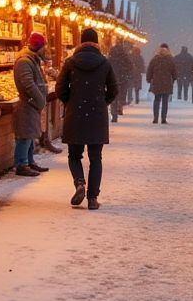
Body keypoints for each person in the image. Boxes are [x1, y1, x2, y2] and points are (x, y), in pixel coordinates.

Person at [56, 27, 118, 210]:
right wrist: (101, 102)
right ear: (96, 43)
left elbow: (60, 89)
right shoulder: (105, 64)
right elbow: (114, 90)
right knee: (95, 158)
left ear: (81, 42)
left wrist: (71, 101)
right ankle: (92, 198)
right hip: (97, 117)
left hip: (75, 115)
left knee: (74, 155)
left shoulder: (70, 63)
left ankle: (79, 183)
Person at [11, 32, 50, 177]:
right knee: (24, 135)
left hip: (31, 103)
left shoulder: (32, 60)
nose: (45, 49)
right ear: (38, 46)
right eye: (44, 46)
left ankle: (29, 161)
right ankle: (21, 164)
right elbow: (28, 84)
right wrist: (40, 100)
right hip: (27, 103)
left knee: (30, 133)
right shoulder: (24, 61)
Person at [146, 43, 177, 124]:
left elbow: (149, 70)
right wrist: (174, 78)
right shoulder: (170, 59)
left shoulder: (155, 59)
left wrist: (149, 79)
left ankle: (155, 118)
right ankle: (163, 118)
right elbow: (174, 71)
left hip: (157, 82)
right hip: (166, 83)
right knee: (165, 101)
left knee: (156, 100)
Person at [108, 39, 132, 123]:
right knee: (121, 94)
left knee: (114, 95)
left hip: (113, 77)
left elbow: (108, 64)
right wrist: (126, 72)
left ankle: (114, 114)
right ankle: (120, 107)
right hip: (122, 77)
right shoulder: (124, 53)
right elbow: (130, 65)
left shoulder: (111, 52)